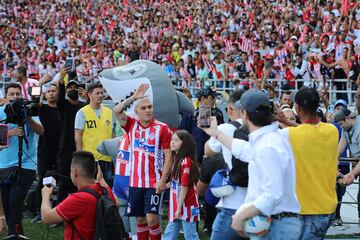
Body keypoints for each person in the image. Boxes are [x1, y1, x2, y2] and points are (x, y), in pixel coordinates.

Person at [200, 90, 301, 240]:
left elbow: (273, 193)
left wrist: (242, 215)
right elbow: (244, 150)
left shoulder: (267, 145)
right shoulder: (269, 140)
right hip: (274, 223)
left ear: (245, 114)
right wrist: (215, 133)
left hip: (276, 225)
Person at [113, 83, 172, 240]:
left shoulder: (163, 128)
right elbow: (117, 111)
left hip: (154, 182)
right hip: (135, 182)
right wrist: (133, 98)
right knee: (140, 219)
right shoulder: (131, 125)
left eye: (149, 107)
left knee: (152, 219)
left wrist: (163, 179)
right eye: (143, 108)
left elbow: (169, 156)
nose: (148, 110)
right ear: (136, 112)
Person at [279, 87, 338, 239]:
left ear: (297, 108)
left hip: (308, 210)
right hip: (326, 207)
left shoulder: (288, 134)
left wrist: (281, 121)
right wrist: (286, 121)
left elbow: (303, 131)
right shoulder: (332, 131)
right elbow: (309, 131)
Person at [0, 83, 44, 237]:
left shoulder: (29, 110)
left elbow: (41, 131)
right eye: (11, 94)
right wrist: (9, 133)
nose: (15, 97)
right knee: (7, 205)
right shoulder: (0, 112)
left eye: (18, 94)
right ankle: (16, 234)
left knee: (15, 202)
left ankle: (14, 235)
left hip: (26, 164)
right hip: (4, 165)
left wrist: (29, 118)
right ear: (6, 96)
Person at [41, 151, 116, 240]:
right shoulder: (105, 191)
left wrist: (46, 195)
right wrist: (101, 179)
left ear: (75, 172)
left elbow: (46, 218)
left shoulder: (79, 199)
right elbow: (116, 202)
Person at [204, 90, 248, 240]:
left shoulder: (224, 129)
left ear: (230, 109)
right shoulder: (262, 128)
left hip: (232, 202)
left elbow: (208, 152)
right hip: (257, 204)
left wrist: (212, 131)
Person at [75, 82, 114, 187]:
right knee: (92, 190)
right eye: (97, 93)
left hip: (107, 158)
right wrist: (80, 157)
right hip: (91, 159)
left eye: (102, 93)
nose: (101, 95)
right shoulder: (82, 112)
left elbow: (112, 134)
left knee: (108, 191)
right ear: (89, 95)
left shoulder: (109, 112)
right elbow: (78, 136)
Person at [56, 68, 86, 205]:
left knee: (80, 181)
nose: (73, 89)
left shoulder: (84, 106)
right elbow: (60, 97)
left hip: (81, 148)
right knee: (63, 181)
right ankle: (60, 212)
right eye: (70, 87)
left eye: (76, 87)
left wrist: (87, 97)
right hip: (65, 149)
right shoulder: (63, 105)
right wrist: (61, 81)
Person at [163, 130, 200, 240]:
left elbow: (184, 185)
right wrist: (163, 186)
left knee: (190, 235)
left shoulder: (186, 162)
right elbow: (176, 182)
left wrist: (179, 207)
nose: (172, 143)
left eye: (176, 140)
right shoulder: (177, 160)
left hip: (187, 204)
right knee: (170, 233)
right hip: (178, 204)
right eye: (172, 140)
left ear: (184, 144)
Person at [33, 83, 60, 222]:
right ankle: (40, 210)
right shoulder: (42, 109)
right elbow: (34, 104)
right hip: (44, 151)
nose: (51, 93)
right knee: (42, 181)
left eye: (53, 91)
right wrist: (39, 85)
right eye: (48, 91)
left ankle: (59, 210)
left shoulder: (63, 109)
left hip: (61, 151)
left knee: (61, 181)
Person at [180, 86, 224, 164]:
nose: (214, 100)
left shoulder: (217, 113)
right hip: (194, 158)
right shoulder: (191, 113)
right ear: (203, 99)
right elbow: (183, 135)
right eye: (212, 97)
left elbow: (222, 132)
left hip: (212, 157)